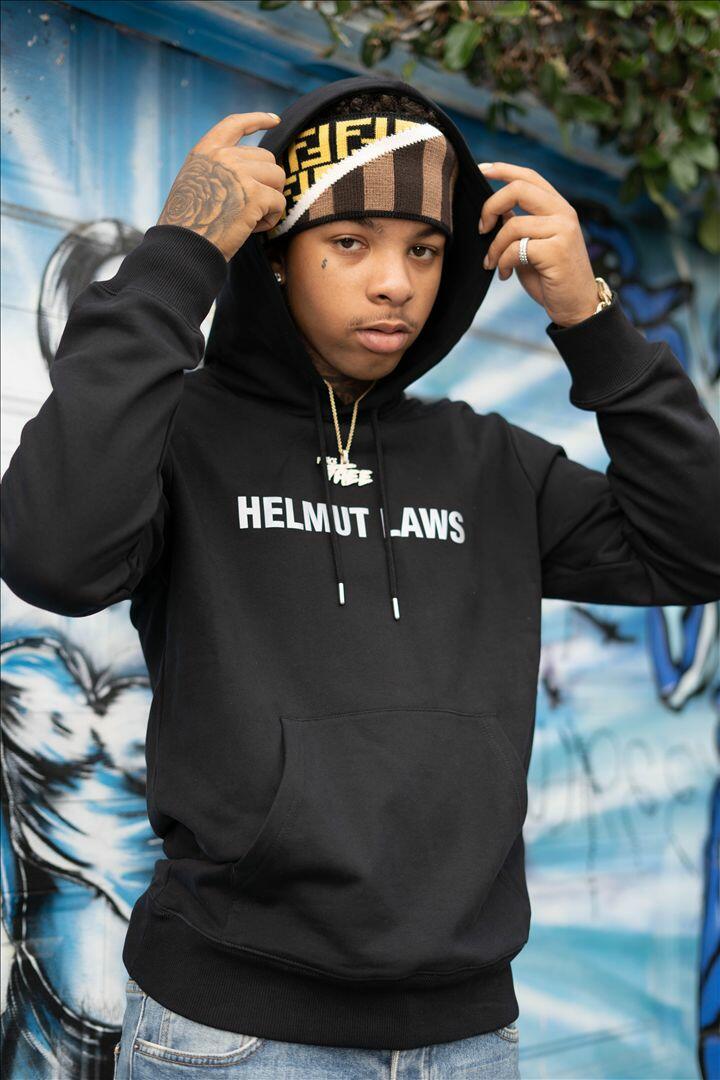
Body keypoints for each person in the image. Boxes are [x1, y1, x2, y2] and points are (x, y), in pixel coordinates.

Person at [2, 73, 718, 1078]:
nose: (396, 284)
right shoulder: (183, 438)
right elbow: (52, 555)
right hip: (232, 1035)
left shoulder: (491, 462)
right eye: (349, 242)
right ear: (275, 257)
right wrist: (180, 254)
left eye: (424, 250)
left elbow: (697, 546)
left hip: (467, 1038)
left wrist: (591, 320)